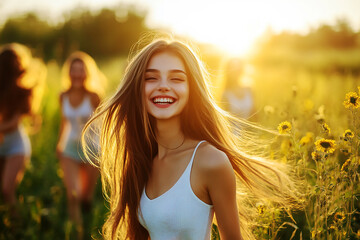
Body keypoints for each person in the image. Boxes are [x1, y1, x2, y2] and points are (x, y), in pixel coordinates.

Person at [83, 38, 298, 240]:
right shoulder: (142, 159)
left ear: (191, 89)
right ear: (138, 88)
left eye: (176, 78)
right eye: (151, 77)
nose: (164, 86)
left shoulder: (210, 161)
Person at [56, 51, 105, 238]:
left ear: (86, 73)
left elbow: (101, 125)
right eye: (73, 70)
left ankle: (90, 227)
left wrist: (103, 149)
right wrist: (58, 145)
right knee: (73, 196)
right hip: (69, 149)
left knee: (85, 197)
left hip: (91, 150)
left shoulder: (94, 96)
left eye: (80, 70)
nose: (76, 74)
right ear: (68, 73)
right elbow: (64, 122)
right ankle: (77, 234)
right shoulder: (63, 96)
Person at [0, 43, 43, 207]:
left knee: (7, 191)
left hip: (16, 147)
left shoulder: (22, 92)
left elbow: (12, 124)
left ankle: (17, 226)